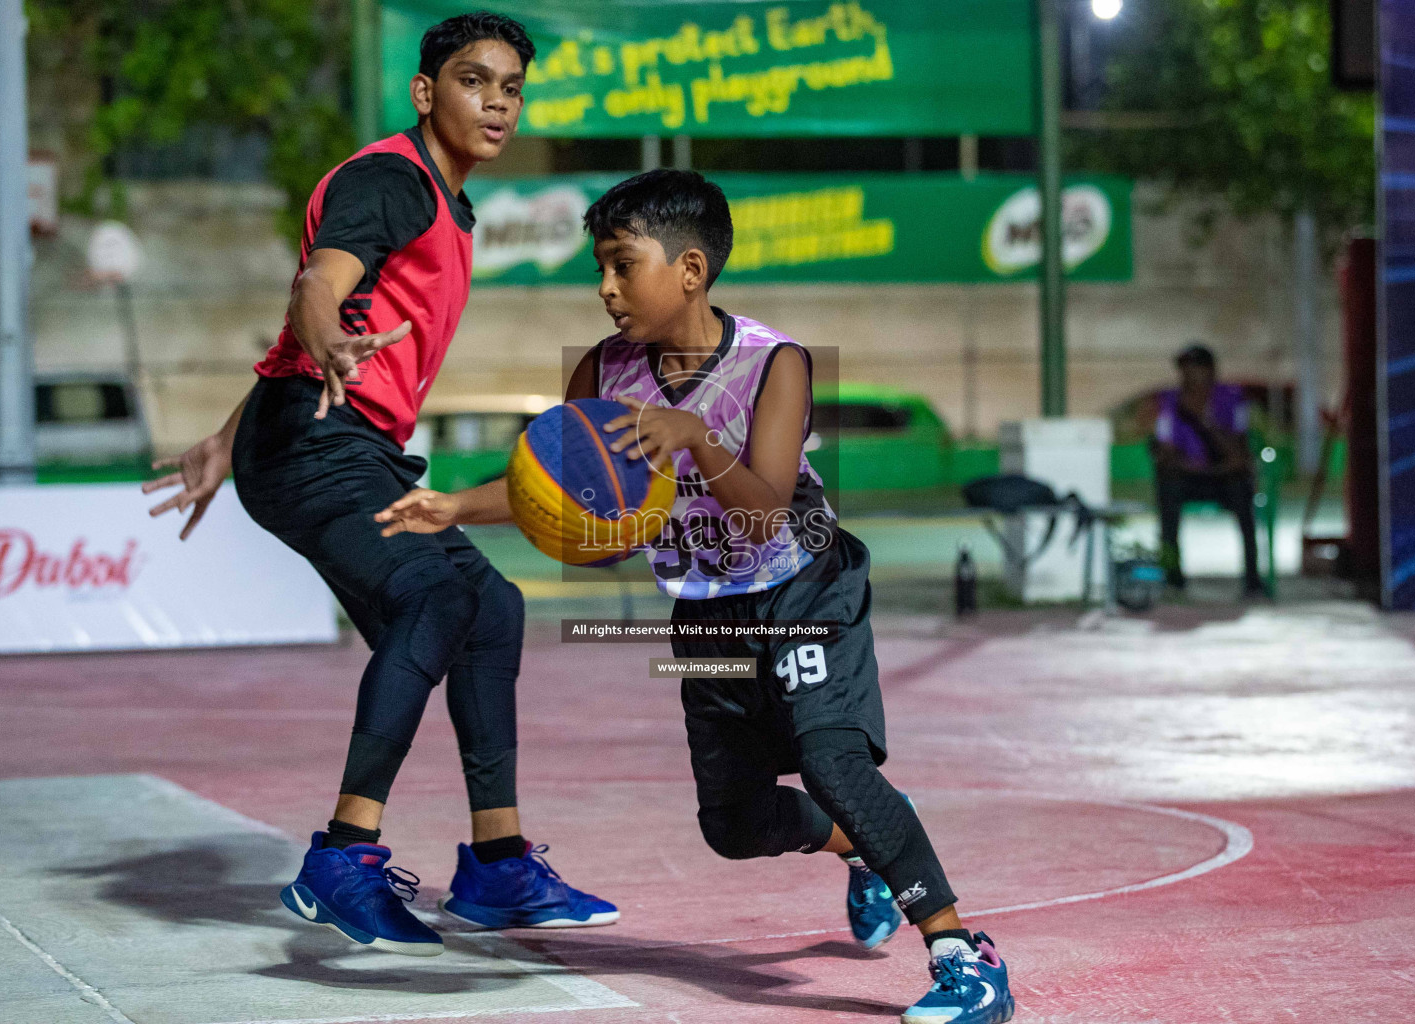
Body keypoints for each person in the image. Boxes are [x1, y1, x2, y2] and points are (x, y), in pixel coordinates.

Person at [376, 170, 1016, 1023]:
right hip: (707, 611)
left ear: (689, 269)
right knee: (735, 825)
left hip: (805, 586)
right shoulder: (605, 370)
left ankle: (962, 956)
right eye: (598, 268)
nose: (605, 288)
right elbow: (555, 488)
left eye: (621, 265)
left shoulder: (773, 362)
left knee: (832, 760)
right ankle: (863, 844)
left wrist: (697, 440)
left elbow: (763, 513)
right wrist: (458, 506)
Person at [141, 12, 616, 956]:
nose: (497, 102)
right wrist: (322, 341)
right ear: (425, 91)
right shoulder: (391, 180)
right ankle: (343, 858)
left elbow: (315, 325)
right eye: (475, 80)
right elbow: (319, 283)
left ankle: (496, 865)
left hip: (319, 439)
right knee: (433, 596)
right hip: (319, 447)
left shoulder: (443, 200)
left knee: (493, 607)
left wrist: (228, 435)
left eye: (512, 88)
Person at [1150, 343, 1266, 598]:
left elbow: (1239, 453)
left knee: (1242, 493)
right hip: (1187, 475)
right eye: (1187, 370)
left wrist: (1205, 421)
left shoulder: (1232, 398)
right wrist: (1182, 463)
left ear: (1211, 371)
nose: (1192, 377)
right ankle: (1172, 576)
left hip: (1225, 476)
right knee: (1168, 491)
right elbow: (1164, 449)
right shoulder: (1170, 402)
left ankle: (1253, 579)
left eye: (1198, 370)